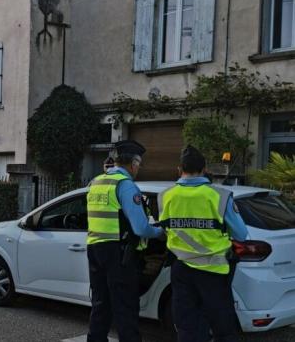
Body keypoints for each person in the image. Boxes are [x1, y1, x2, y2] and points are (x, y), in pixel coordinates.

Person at [158, 146, 248, 342]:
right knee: (223, 327)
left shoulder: (165, 196)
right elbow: (241, 234)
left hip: (181, 269)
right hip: (214, 271)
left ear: (179, 169)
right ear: (204, 168)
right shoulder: (220, 196)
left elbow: (164, 229)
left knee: (187, 327)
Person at [86, 140, 163, 342]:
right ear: (134, 163)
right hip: (118, 253)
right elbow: (140, 228)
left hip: (94, 249)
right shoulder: (125, 185)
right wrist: (160, 231)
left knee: (100, 304)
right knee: (125, 308)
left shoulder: (95, 182)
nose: (139, 168)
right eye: (139, 164)